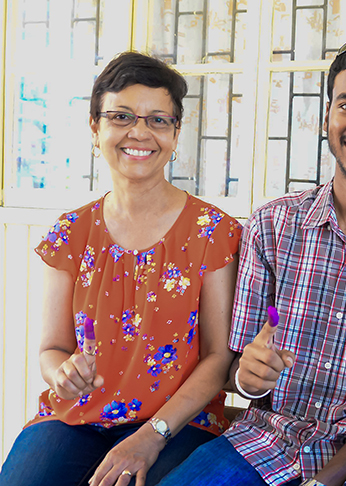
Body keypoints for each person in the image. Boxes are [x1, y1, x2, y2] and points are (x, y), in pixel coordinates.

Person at [158, 37, 346, 486]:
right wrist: (250, 377)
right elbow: (242, 370)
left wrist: (325, 479)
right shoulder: (273, 226)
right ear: (327, 117)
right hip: (265, 440)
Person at [0, 52, 241, 486]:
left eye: (158, 120)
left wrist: (152, 434)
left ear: (175, 132)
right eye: (121, 116)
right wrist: (63, 373)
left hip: (177, 422)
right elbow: (51, 349)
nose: (139, 132)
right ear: (95, 127)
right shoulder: (69, 232)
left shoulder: (211, 231)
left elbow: (218, 358)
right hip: (76, 417)